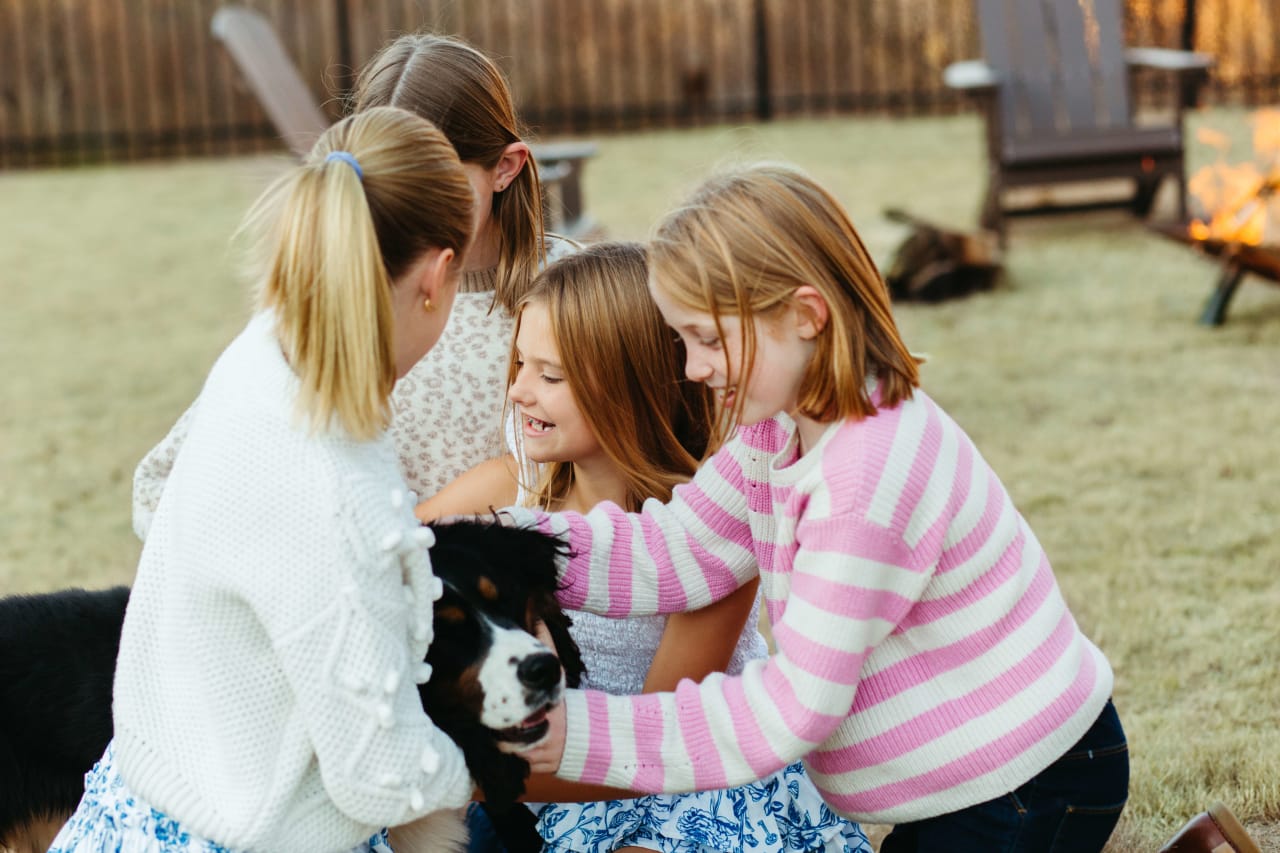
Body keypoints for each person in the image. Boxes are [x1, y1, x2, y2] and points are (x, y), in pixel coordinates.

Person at [502, 163, 1130, 853]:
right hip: (965, 779)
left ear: (805, 315)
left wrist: (576, 734)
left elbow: (789, 708)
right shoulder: (779, 426)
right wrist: (497, 545)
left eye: (709, 339)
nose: (691, 369)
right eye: (684, 340)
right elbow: (675, 549)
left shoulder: (864, 476)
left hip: (1026, 777)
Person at [49, 106, 477, 853]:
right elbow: (377, 775)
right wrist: (484, 762)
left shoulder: (263, 356)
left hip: (138, 811)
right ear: (438, 277)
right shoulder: (335, 487)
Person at [420, 241, 873, 853]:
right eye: (519, 365)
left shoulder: (713, 537)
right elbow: (389, 556)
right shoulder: (511, 491)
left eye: (550, 375)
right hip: (558, 780)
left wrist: (463, 777)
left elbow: (663, 751)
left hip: (688, 777)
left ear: (630, 389)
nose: (519, 392)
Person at [131, 32, 575, 539]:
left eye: (444, 186)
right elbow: (159, 492)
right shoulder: (327, 298)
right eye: (391, 191)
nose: (416, 218)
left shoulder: (570, 290)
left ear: (505, 167)